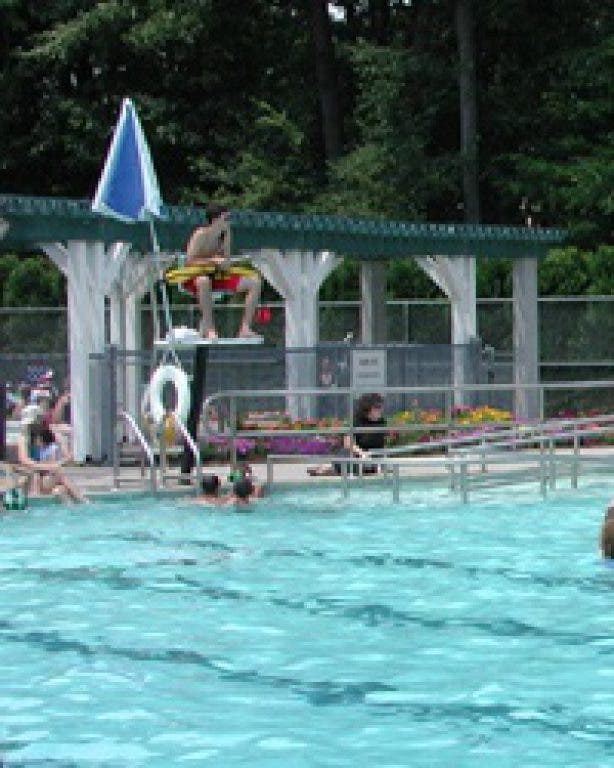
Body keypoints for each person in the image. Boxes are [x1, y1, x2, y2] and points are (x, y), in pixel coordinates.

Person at [183, 204, 262, 340]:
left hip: (217, 275)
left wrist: (225, 262)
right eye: (226, 218)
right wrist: (213, 261)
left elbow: (225, 259)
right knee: (204, 281)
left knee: (254, 282)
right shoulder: (201, 234)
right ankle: (210, 329)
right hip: (195, 276)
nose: (228, 222)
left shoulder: (226, 234)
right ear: (215, 219)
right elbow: (189, 261)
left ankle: (245, 328)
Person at [15, 409, 86, 503]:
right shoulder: (23, 438)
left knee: (60, 490)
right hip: (30, 475)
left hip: (41, 474)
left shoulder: (39, 438)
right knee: (56, 474)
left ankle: (77, 508)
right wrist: (49, 466)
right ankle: (84, 501)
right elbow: (24, 461)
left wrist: (61, 441)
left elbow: (68, 457)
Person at [308, 392, 386, 477]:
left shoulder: (381, 422)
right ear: (368, 408)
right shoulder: (357, 420)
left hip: (372, 456)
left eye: (381, 407)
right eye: (377, 407)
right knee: (348, 460)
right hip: (357, 454)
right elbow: (348, 443)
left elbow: (380, 445)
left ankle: (328, 469)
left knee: (366, 467)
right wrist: (361, 452)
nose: (380, 410)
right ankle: (328, 469)